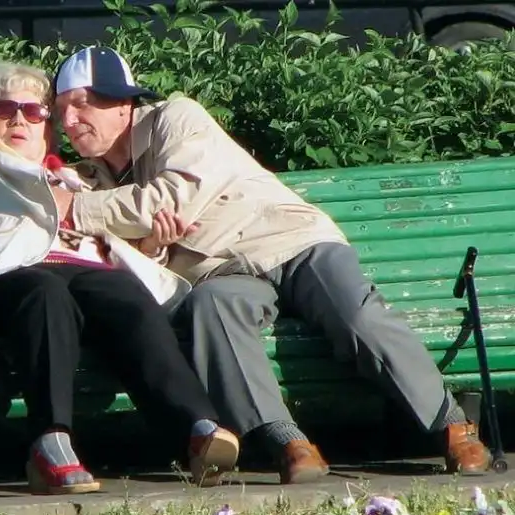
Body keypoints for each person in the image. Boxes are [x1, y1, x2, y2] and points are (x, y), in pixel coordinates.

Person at [48, 46, 491, 484]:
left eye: (82, 104)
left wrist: (76, 208)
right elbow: (136, 253)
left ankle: (451, 425)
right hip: (220, 271)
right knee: (211, 308)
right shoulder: (90, 179)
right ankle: (288, 442)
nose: (69, 120)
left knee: (355, 315)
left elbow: (172, 197)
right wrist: (148, 242)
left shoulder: (176, 119)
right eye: (62, 109)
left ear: (123, 103)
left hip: (291, 239)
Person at [0, 61, 240, 495]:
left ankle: (196, 432)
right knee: (45, 290)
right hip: (7, 279)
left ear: (48, 129)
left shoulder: (77, 180)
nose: (18, 120)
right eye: (6, 109)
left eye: (34, 112)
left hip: (86, 273)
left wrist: (150, 248)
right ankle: (50, 443)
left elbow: (118, 243)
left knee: (124, 292)